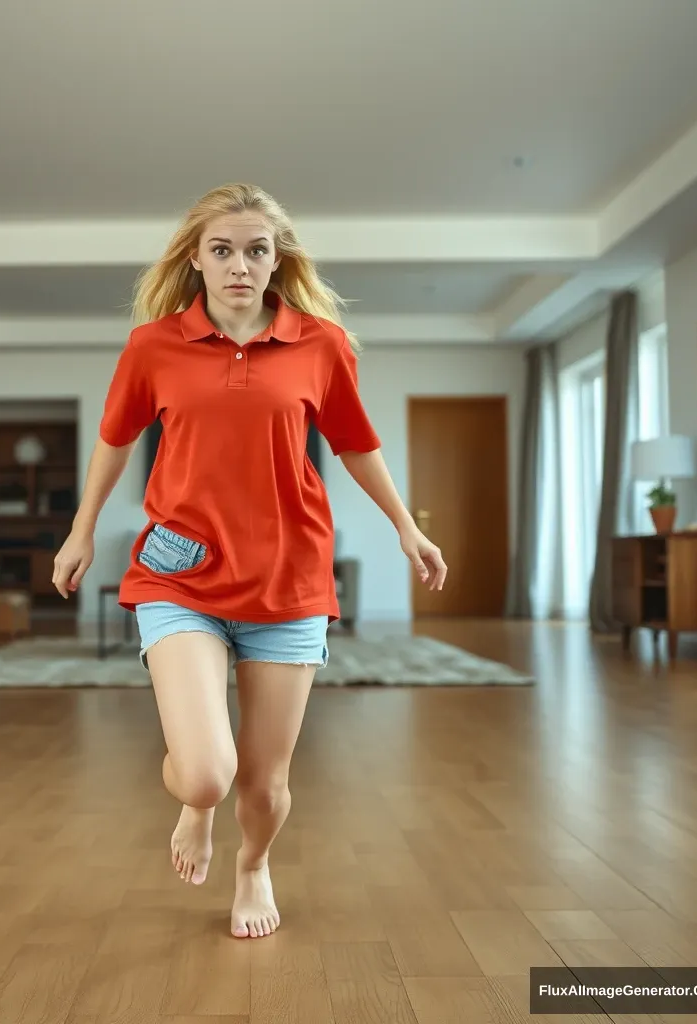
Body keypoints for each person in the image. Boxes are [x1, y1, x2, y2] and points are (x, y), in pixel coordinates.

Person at [52, 183, 447, 939]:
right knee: (206, 772)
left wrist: (405, 527)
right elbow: (115, 439)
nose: (240, 265)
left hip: (290, 580)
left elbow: (356, 444)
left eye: (256, 250)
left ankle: (253, 867)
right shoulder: (153, 346)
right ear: (196, 259)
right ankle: (196, 807)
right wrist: (81, 529)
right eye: (223, 249)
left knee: (265, 785)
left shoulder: (321, 345)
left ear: (277, 260)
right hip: (180, 575)